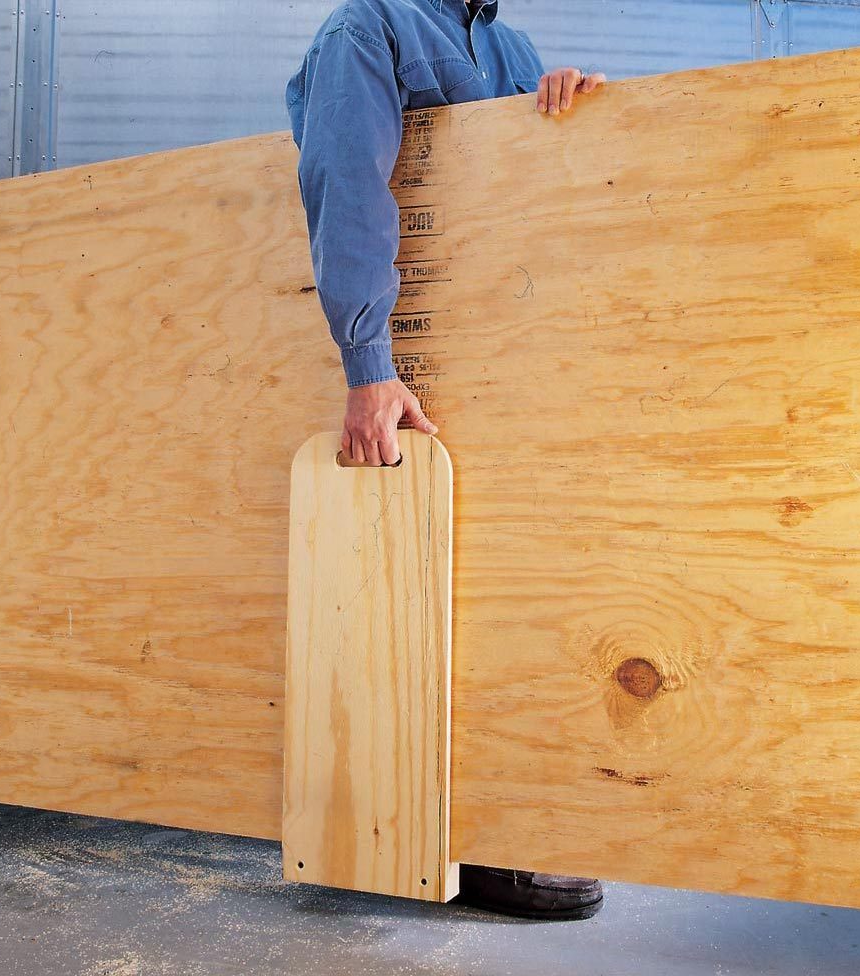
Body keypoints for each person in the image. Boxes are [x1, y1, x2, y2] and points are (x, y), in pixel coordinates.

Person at [285, 0, 607, 920]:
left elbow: (525, 203)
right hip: (420, 364)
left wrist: (569, 113)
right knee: (428, 596)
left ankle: (509, 817)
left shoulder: (512, 47)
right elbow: (345, 180)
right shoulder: (371, 26)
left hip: (510, 360)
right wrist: (368, 365)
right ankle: (456, 836)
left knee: (522, 581)